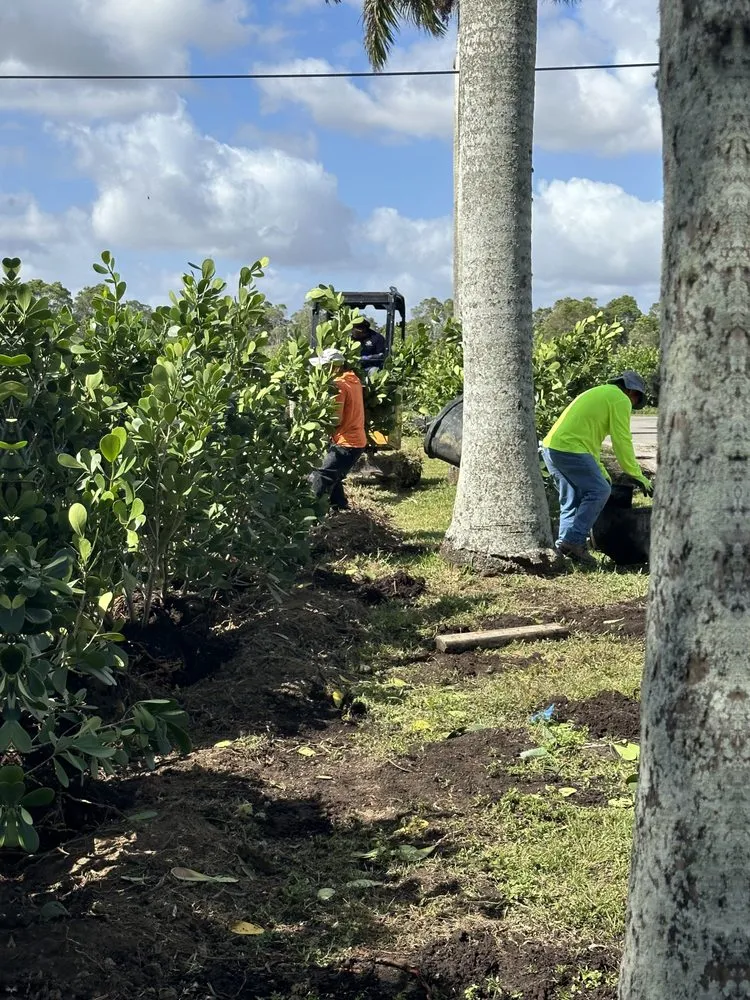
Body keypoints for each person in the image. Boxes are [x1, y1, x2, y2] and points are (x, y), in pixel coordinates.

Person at [541, 370, 653, 567]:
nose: (633, 406)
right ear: (631, 391)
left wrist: (602, 471)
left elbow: (590, 443)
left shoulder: (600, 392)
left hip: (552, 447)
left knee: (571, 499)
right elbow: (622, 441)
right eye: (636, 400)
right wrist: (638, 475)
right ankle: (574, 542)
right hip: (569, 448)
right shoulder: (621, 399)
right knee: (600, 490)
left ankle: (564, 551)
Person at [309, 347, 367, 511]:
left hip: (346, 443)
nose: (320, 371)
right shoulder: (353, 380)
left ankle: (309, 515)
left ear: (335, 367)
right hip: (356, 441)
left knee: (322, 475)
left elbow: (336, 419)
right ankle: (340, 509)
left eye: (324, 367)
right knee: (334, 476)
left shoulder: (338, 386)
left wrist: (315, 419)